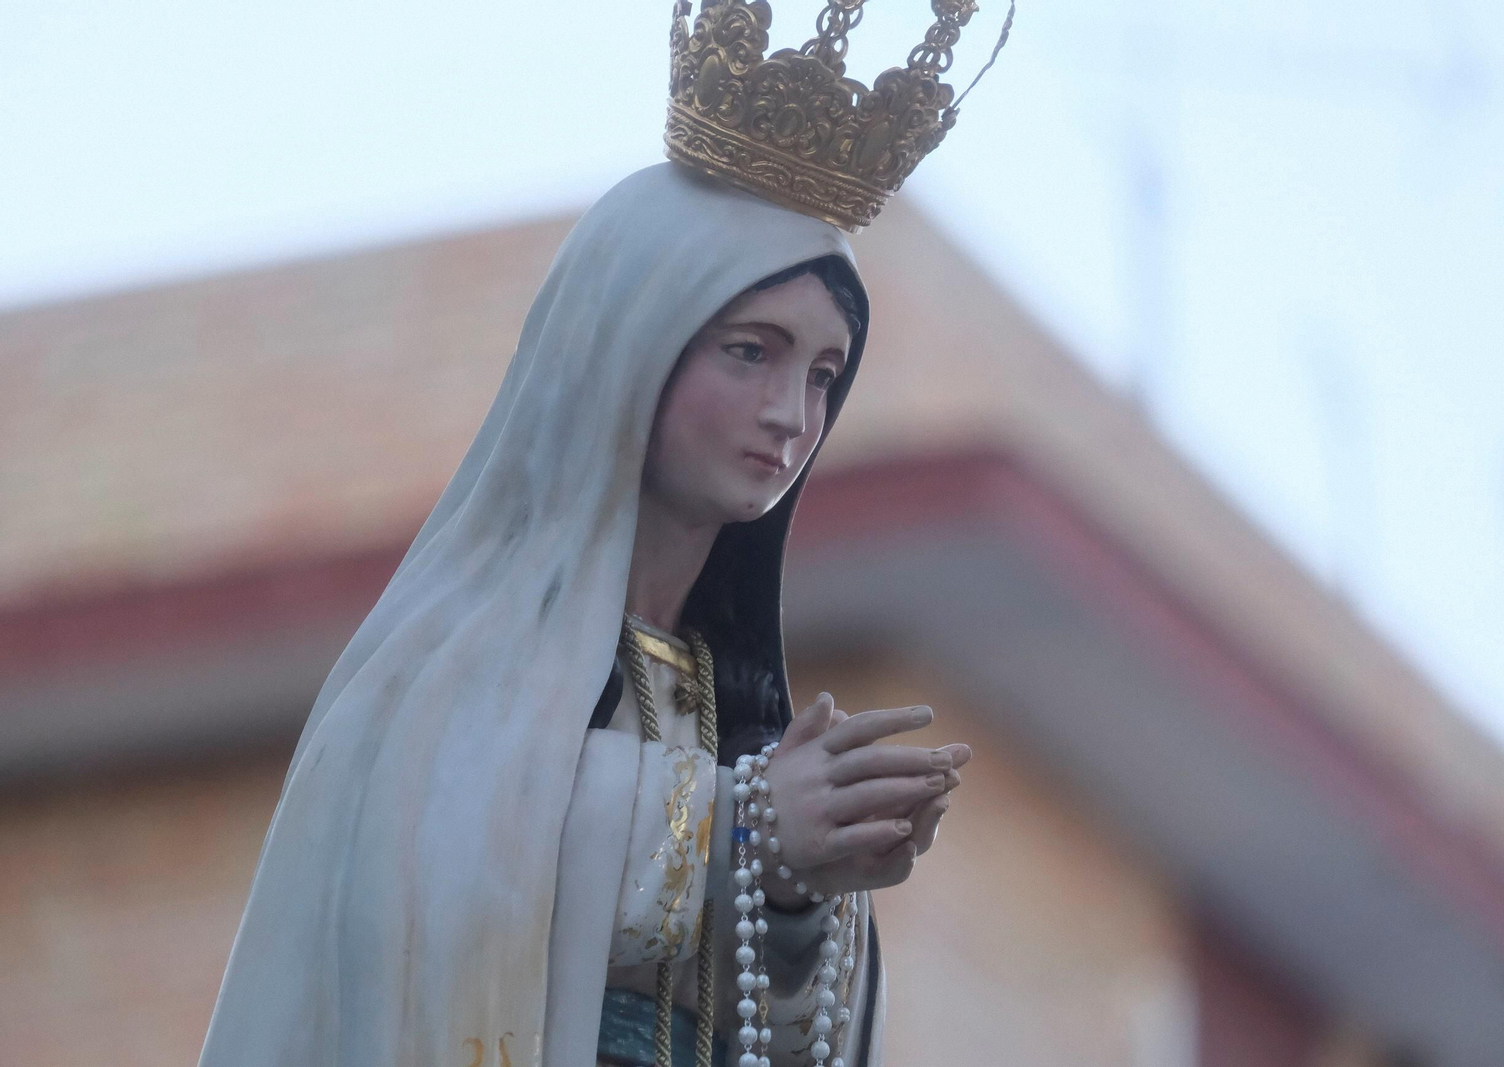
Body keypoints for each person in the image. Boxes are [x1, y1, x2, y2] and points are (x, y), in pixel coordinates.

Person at [198, 164, 968, 1067]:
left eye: (823, 373)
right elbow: (443, 890)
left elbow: (764, 1022)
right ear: (629, 344)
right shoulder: (445, 667)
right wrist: (745, 828)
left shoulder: (732, 703)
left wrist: (804, 884)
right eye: (751, 351)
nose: (791, 414)